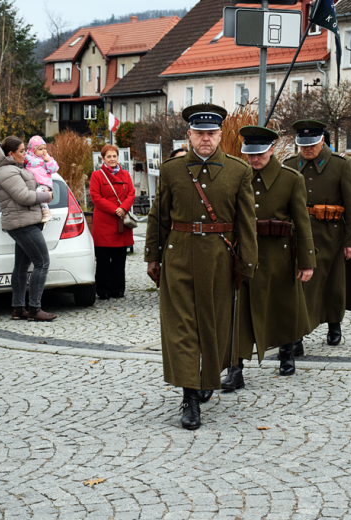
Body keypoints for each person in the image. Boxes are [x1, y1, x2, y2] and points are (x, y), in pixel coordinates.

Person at [144, 103, 258, 431]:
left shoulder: (238, 171)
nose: (205, 139)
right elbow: (159, 216)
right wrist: (153, 256)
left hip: (221, 260)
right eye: (199, 134)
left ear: (221, 135)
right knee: (182, 329)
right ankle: (189, 396)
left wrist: (246, 262)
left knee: (215, 328)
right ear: (189, 135)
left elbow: (245, 222)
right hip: (179, 257)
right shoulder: (171, 171)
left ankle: (208, 377)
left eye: (211, 133)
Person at [221, 126, 315, 391]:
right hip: (246, 255)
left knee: (282, 307)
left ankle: (286, 352)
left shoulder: (291, 179)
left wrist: (307, 261)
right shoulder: (239, 177)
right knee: (239, 313)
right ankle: (235, 368)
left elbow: (302, 221)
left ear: (272, 150)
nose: (254, 159)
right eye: (250, 154)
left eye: (260, 153)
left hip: (279, 255)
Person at [283, 120, 351, 353]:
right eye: (302, 145)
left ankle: (334, 324)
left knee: (333, 284)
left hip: (331, 235)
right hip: (297, 236)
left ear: (322, 141)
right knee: (300, 285)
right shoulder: (288, 165)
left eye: (312, 144)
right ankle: (297, 334)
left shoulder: (341, 165)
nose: (307, 149)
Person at [0, 136, 56, 321]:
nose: (26, 154)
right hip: (22, 223)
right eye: (22, 151)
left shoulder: (13, 168)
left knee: (21, 266)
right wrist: (46, 196)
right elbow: (23, 197)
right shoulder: (6, 172)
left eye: (26, 150)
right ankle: (35, 309)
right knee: (42, 263)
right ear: (11, 154)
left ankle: (18, 309)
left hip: (23, 221)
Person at [90, 144, 136, 300]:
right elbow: (96, 197)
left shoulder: (126, 175)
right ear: (103, 159)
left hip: (121, 222)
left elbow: (131, 193)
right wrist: (115, 209)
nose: (112, 159)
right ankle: (103, 290)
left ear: (118, 157)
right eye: (108, 156)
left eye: (114, 156)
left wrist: (122, 208)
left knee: (119, 258)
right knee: (103, 259)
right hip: (104, 222)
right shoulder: (97, 175)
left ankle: (118, 289)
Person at [24, 136, 59, 223]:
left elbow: (54, 169)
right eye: (40, 149)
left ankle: (46, 211)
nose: (43, 151)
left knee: (39, 193)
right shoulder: (27, 158)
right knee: (32, 194)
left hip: (44, 184)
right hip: (32, 183)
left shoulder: (46, 159)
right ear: (33, 149)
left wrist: (49, 160)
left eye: (44, 148)